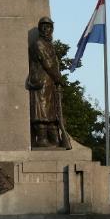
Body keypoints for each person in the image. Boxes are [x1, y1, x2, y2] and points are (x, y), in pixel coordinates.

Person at [28, 17, 71, 149]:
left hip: (50, 82)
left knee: (53, 112)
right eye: (44, 27)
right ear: (40, 29)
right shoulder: (39, 44)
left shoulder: (49, 45)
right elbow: (47, 63)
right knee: (42, 112)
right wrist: (58, 78)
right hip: (41, 82)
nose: (47, 30)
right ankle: (42, 139)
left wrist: (57, 80)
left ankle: (55, 139)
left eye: (50, 27)